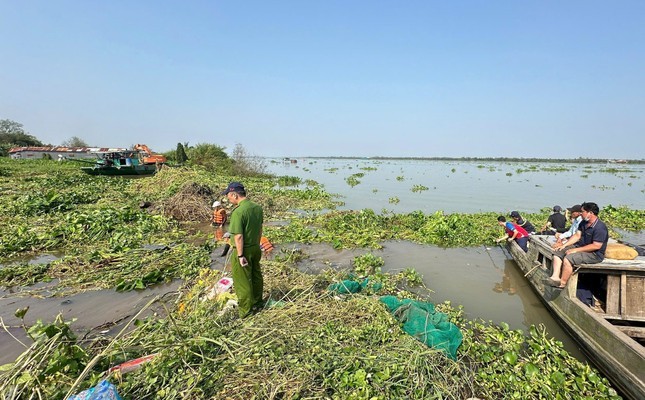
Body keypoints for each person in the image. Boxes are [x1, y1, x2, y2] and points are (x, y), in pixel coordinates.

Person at [221, 182, 264, 318]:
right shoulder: (257, 208)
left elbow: (238, 236)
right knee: (256, 275)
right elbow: (260, 229)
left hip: (243, 250)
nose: (228, 199)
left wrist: (240, 256)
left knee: (242, 281)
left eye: (228, 196)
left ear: (234, 195)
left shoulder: (238, 212)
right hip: (255, 248)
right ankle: (257, 302)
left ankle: (246, 311)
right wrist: (256, 245)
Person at [546, 202, 609, 289]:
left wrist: (575, 250)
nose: (581, 213)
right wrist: (565, 245)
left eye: (582, 211)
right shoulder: (583, 223)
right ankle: (555, 277)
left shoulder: (600, 227)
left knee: (569, 258)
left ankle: (562, 283)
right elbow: (577, 236)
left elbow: (596, 246)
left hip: (594, 254)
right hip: (580, 247)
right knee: (558, 252)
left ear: (590, 213)